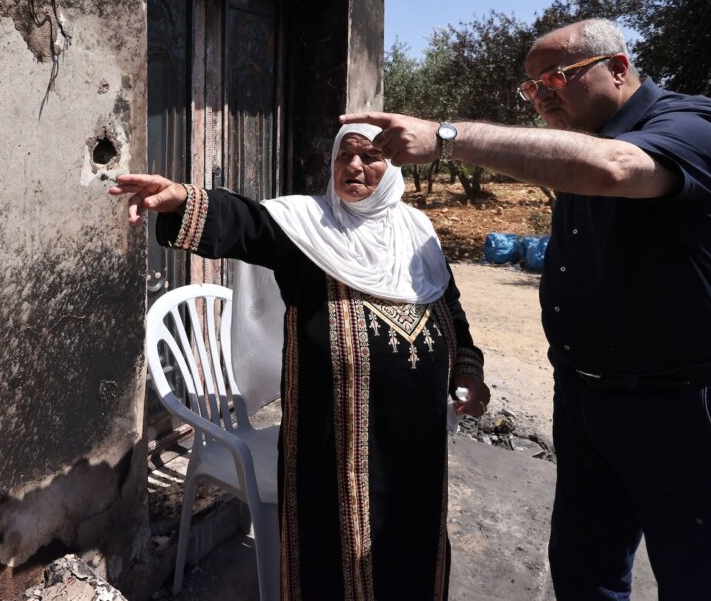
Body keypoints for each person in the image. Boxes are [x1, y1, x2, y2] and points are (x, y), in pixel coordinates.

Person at [343, 18, 711, 600]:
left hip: (692, 407)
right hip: (589, 401)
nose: (542, 93)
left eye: (558, 76)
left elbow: (614, 169)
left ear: (620, 68)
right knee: (585, 574)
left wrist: (447, 138)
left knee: (702, 583)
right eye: (532, 86)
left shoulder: (697, 125)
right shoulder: (582, 140)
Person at [111, 124, 491, 600]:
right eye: (344, 156)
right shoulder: (309, 229)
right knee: (333, 567)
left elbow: (449, 308)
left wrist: (467, 370)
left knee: (414, 547)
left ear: (393, 167)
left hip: (417, 443)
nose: (353, 166)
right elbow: (249, 224)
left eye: (370, 156)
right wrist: (182, 199)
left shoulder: (417, 234)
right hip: (333, 447)